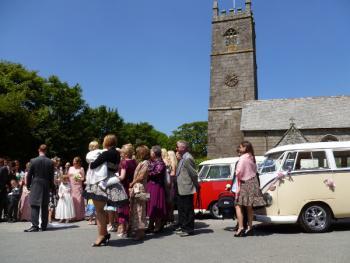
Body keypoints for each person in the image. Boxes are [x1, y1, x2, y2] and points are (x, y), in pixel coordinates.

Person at [84, 134, 128, 246]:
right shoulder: (117, 153)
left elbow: (93, 165)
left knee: (99, 211)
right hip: (112, 180)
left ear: (106, 142)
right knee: (103, 210)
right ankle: (104, 234)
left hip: (102, 182)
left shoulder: (106, 153)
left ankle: (101, 235)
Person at [234, 141, 266, 237]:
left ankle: (240, 228)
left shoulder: (243, 158)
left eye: (240, 147)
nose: (239, 149)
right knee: (249, 207)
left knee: (238, 205)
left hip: (246, 183)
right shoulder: (251, 157)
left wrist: (236, 174)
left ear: (245, 148)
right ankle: (250, 228)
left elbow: (238, 172)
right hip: (253, 182)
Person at [24, 144, 54, 232]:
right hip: (46, 184)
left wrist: (28, 185)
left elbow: (29, 175)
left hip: (36, 183)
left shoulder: (33, 161)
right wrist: (51, 187)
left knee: (34, 205)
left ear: (38, 150)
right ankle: (44, 226)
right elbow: (51, 176)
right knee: (44, 205)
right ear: (46, 151)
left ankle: (35, 226)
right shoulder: (50, 162)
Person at [175, 140, 199, 237]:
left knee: (187, 209)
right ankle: (184, 227)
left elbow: (193, 173)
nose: (176, 148)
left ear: (183, 148)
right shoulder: (183, 157)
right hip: (182, 187)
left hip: (186, 187)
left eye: (177, 147)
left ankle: (189, 229)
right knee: (182, 209)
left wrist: (196, 185)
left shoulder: (188, 158)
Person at [129, 145, 150, 241]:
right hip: (137, 187)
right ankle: (137, 230)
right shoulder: (141, 162)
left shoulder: (145, 163)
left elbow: (141, 176)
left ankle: (141, 232)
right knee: (135, 210)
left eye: (138, 152)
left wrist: (132, 182)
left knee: (140, 210)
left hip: (140, 187)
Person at [117, 144, 137, 237]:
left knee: (123, 208)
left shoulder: (124, 162)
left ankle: (123, 229)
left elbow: (122, 177)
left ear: (125, 153)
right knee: (130, 208)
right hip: (131, 186)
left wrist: (114, 177)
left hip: (124, 187)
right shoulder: (134, 162)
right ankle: (129, 229)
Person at [146, 146, 167, 233]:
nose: (150, 154)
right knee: (151, 205)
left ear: (154, 153)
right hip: (151, 185)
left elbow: (156, 173)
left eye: (151, 152)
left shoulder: (160, 163)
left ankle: (157, 225)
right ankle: (150, 225)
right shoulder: (152, 162)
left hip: (157, 186)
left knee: (157, 205)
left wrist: (146, 172)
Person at [68, 157, 85, 221]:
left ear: (78, 163)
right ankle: (72, 216)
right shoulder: (70, 168)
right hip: (71, 186)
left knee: (79, 201)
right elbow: (68, 176)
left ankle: (79, 216)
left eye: (75, 162)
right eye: (73, 162)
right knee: (72, 201)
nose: (73, 163)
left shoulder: (81, 168)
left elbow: (83, 178)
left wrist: (78, 178)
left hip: (78, 186)